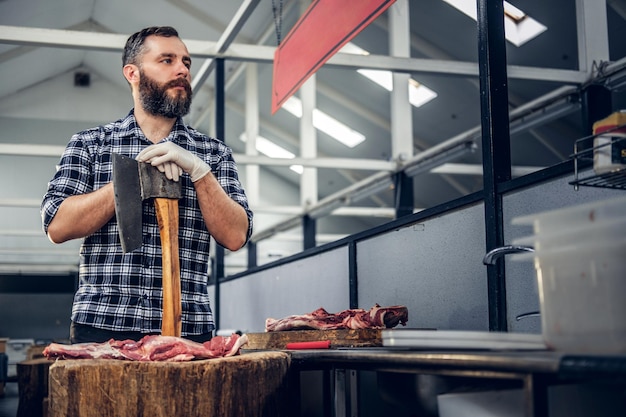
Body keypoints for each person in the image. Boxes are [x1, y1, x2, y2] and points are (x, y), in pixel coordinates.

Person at [41, 26, 253, 344]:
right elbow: (56, 225)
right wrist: (130, 180)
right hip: (103, 325)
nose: (182, 69)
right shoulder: (91, 144)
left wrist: (200, 173)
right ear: (133, 73)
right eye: (166, 60)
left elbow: (236, 235)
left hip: (188, 328)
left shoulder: (213, 153)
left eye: (186, 62)